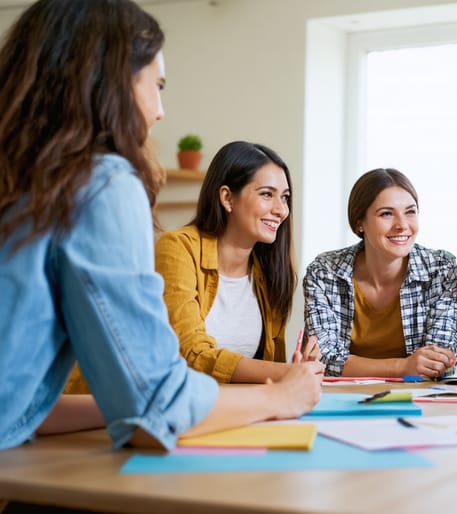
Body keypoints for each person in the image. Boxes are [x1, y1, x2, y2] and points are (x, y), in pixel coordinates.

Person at [0, 0, 322, 451]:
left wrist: (121, 405)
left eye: (284, 197)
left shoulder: (24, 180)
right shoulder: (100, 185)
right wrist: (281, 395)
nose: (159, 111)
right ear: (109, 83)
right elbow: (160, 402)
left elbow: (25, 403)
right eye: (158, 85)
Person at [154, 141, 320, 384]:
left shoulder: (269, 271)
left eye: (285, 198)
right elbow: (191, 353)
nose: (281, 210)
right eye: (267, 194)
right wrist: (286, 373)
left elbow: (268, 368)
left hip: (235, 408)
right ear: (227, 198)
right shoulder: (177, 248)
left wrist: (296, 369)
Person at [303, 168, 457, 378]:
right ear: (360, 223)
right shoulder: (325, 273)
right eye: (386, 213)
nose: (402, 225)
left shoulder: (441, 270)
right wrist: (403, 367)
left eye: (410, 212)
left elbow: (439, 362)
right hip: (342, 399)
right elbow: (324, 360)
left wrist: (424, 365)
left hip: (419, 398)